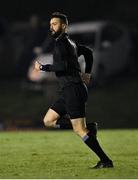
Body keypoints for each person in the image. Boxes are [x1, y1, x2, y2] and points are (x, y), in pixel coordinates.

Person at [35, 12, 113, 169]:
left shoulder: (62, 44)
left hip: (73, 90)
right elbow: (89, 52)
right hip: (69, 91)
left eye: (55, 24)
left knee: (79, 130)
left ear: (64, 26)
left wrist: (42, 67)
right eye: (50, 24)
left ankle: (105, 161)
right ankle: (89, 128)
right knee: (48, 121)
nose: (51, 27)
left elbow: (63, 66)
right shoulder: (70, 43)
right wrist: (88, 73)